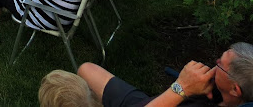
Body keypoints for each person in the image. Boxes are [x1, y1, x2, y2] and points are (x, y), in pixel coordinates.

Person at [78, 42, 253, 107]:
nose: (214, 65)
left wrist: (181, 87)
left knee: (64, 89)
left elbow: (178, 91)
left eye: (220, 65)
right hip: (150, 101)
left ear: (235, 89)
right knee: (85, 69)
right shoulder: (220, 90)